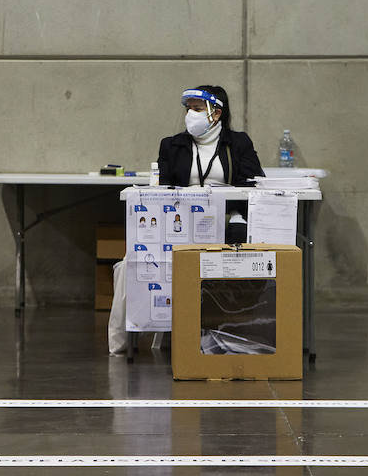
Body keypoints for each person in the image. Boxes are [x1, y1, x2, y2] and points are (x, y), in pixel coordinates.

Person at [107, 85, 265, 354]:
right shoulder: (172, 145)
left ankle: (225, 334)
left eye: (197, 108)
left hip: (226, 224)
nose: (190, 114)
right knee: (129, 264)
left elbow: (253, 185)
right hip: (180, 225)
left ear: (216, 113)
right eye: (188, 108)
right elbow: (162, 189)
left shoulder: (238, 143)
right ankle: (125, 342)